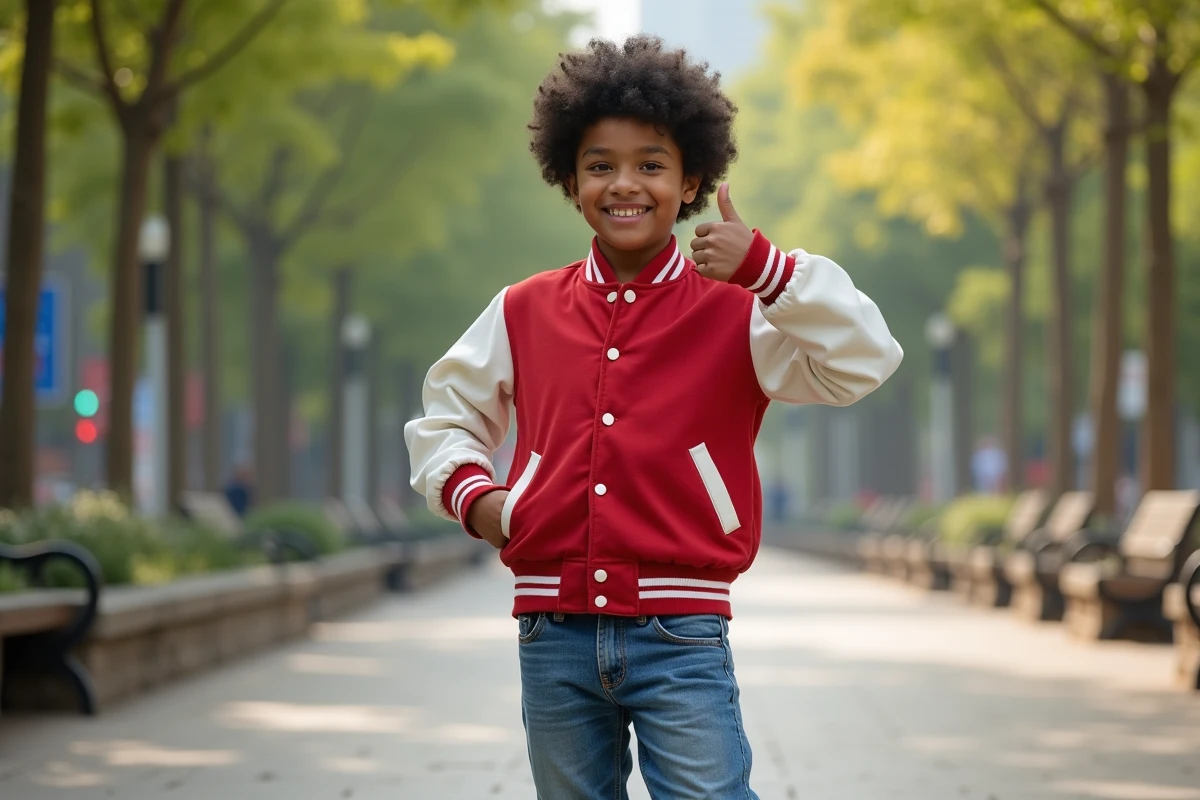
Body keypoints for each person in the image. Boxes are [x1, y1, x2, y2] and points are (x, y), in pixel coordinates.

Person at [405, 35, 903, 799]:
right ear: (570, 180)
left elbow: (865, 359)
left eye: (650, 164)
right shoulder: (524, 308)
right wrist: (482, 501)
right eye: (600, 165)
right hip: (552, 628)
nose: (624, 185)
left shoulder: (739, 308)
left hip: (682, 629)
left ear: (690, 179)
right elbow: (447, 414)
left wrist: (768, 269)